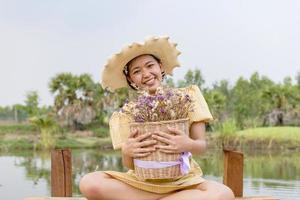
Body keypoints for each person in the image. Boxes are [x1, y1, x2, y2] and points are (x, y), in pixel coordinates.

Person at [79, 36, 235, 200]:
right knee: (89, 182)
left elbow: (201, 145)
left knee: (224, 194)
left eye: (150, 65)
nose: (146, 74)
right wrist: (127, 151)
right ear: (131, 79)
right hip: (141, 184)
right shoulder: (126, 113)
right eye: (136, 71)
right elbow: (130, 165)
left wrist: (188, 144)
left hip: (183, 182)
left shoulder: (188, 97)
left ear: (160, 66)